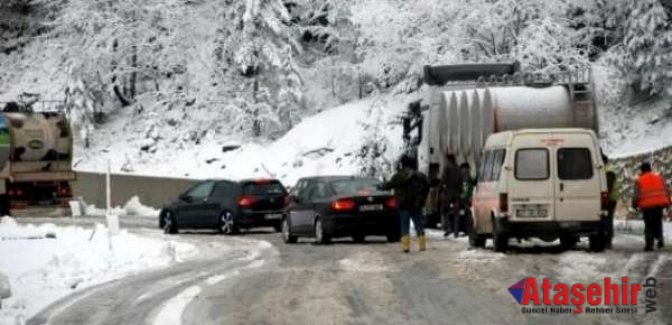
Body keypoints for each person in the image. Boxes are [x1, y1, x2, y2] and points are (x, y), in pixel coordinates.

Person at [380, 154, 430, 253]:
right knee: (419, 225)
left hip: (403, 204)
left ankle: (406, 247)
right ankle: (422, 245)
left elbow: (389, 185)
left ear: (402, 164)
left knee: (404, 225)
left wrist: (380, 186)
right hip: (416, 204)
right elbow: (427, 185)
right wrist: (422, 199)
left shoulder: (399, 176)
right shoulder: (419, 175)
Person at [632, 162, 671, 251]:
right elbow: (667, 190)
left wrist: (634, 205)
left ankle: (649, 244)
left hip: (647, 206)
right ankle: (660, 239)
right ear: (650, 169)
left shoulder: (639, 180)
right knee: (658, 222)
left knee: (649, 224)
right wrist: (668, 202)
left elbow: (636, 195)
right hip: (659, 204)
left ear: (641, 170)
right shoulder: (658, 178)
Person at [440, 153, 463, 238]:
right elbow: (461, 181)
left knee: (444, 211)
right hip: (457, 194)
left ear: (449, 160)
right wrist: (460, 192)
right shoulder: (458, 169)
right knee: (456, 213)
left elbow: (443, 180)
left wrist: (440, 190)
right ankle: (456, 232)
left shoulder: (447, 168)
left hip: (448, 193)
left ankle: (449, 227)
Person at [603, 154, 620, 249]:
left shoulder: (608, 171)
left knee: (608, 219)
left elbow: (607, 187)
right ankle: (607, 240)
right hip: (610, 198)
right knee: (607, 219)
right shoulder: (607, 170)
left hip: (609, 199)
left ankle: (608, 241)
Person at [458, 162, 476, 236]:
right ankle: (467, 230)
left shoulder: (470, 181)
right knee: (465, 216)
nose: (464, 172)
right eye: (463, 170)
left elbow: (472, 187)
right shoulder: (461, 180)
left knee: (469, 216)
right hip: (464, 201)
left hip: (470, 200)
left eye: (465, 170)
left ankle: (470, 231)